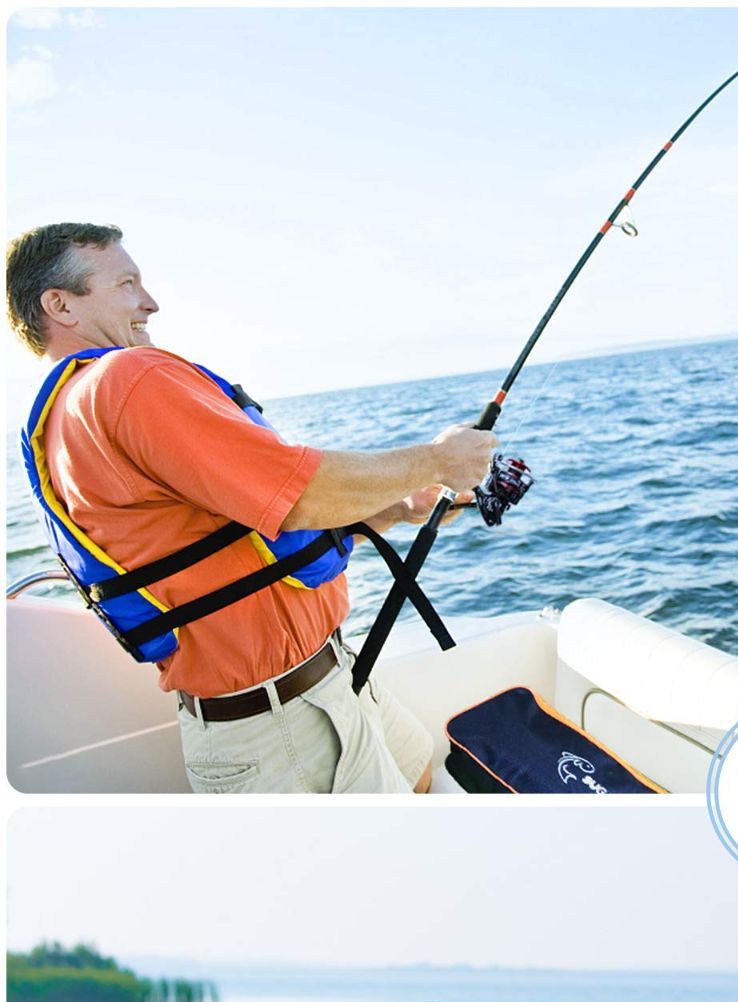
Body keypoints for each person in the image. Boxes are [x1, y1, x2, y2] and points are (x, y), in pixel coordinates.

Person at [6, 221, 498, 793]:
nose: (151, 302)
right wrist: (437, 462)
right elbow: (299, 494)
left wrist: (392, 508)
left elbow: (228, 543)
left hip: (325, 688)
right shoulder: (125, 379)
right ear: (60, 304)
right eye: (126, 284)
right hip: (285, 730)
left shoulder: (66, 416)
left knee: (420, 778)